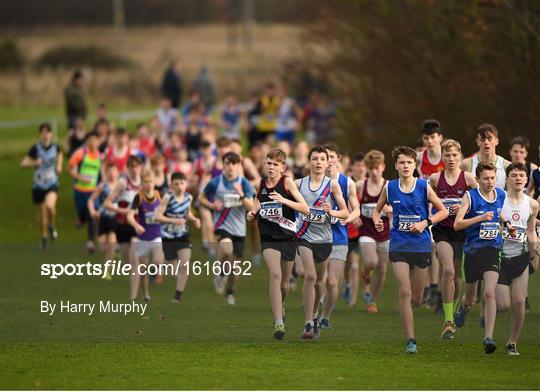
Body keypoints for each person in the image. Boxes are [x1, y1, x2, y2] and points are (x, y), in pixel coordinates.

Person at [372, 146, 448, 354]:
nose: (405, 166)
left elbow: (443, 211)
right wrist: (378, 221)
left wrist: (426, 223)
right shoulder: (390, 187)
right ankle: (411, 340)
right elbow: (376, 211)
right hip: (398, 245)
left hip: (421, 246)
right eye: (402, 162)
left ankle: (418, 301)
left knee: (415, 298)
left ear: (414, 165)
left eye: (409, 162)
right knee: (404, 291)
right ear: (395, 165)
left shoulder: (423, 186)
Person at [453, 162, 516, 354]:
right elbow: (457, 224)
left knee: (489, 293)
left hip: (493, 249)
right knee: (471, 297)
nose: (490, 182)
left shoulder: (501, 194)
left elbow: (500, 213)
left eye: (493, 178)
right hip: (472, 251)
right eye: (486, 178)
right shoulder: (470, 197)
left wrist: (506, 224)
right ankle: (463, 308)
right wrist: (479, 219)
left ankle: (488, 338)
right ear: (478, 179)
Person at [247, 148, 309, 340]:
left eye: (275, 164)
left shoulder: (287, 182)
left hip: (288, 237)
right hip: (269, 239)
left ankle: (281, 304)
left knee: (285, 283)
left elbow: (305, 208)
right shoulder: (261, 184)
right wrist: (252, 213)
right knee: (275, 275)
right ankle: (278, 322)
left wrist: (284, 200)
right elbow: (258, 203)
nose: (271, 167)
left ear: (282, 167)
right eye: (269, 163)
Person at [296, 145, 348, 340]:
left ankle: (316, 316)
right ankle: (308, 323)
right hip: (304, 236)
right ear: (309, 162)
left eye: (321, 159)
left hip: (325, 240)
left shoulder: (332, 185)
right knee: (309, 277)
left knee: (319, 283)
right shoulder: (299, 183)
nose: (318, 162)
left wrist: (331, 211)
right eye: (314, 159)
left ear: (328, 163)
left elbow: (345, 212)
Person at [428, 139, 477, 339]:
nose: (450, 159)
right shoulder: (434, 179)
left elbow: (479, 203)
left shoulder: (468, 179)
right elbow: (426, 202)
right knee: (447, 270)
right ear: (442, 157)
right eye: (447, 155)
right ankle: (448, 321)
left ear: (460, 157)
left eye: (454, 155)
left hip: (462, 232)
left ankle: (454, 311)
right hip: (442, 231)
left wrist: (464, 207)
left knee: (456, 276)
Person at [199, 152, 254, 305]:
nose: (230, 167)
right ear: (223, 165)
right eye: (227, 163)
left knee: (235, 268)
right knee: (226, 250)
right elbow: (201, 198)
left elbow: (251, 207)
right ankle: (220, 273)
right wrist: (212, 205)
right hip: (222, 225)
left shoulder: (244, 183)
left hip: (239, 229)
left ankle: (229, 292)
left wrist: (241, 194)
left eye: (234, 164)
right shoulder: (216, 182)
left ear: (239, 166)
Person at [495, 162, 540, 355]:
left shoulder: (532, 204)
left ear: (527, 179)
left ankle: (512, 343)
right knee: (503, 305)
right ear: (507, 179)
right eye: (514, 175)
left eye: (522, 175)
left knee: (519, 302)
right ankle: (487, 305)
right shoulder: (498, 200)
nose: (519, 178)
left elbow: (530, 231)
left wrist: (535, 247)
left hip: (521, 257)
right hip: (498, 258)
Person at [319, 144, 359, 328]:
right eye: (324, 156)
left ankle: (325, 317)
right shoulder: (313, 182)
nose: (328, 159)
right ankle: (314, 310)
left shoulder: (347, 182)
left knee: (333, 282)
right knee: (319, 280)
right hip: (318, 237)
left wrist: (347, 219)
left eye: (331, 156)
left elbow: (356, 208)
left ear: (337, 159)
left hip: (339, 237)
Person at [155, 172, 201, 303]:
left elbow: (187, 213)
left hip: (183, 236)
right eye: (176, 184)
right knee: (173, 272)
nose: (180, 186)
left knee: (185, 265)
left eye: (182, 183)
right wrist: (174, 221)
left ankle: (177, 296)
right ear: (171, 186)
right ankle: (159, 266)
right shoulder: (167, 198)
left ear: (186, 184)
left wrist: (194, 219)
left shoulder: (188, 198)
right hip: (168, 237)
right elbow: (157, 216)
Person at [357, 150, 392, 313]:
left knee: (383, 269)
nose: (374, 172)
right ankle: (365, 269)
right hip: (366, 232)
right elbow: (350, 201)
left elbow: (400, 207)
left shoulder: (390, 186)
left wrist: (389, 209)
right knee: (372, 261)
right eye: (371, 169)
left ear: (383, 167)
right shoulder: (360, 185)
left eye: (377, 168)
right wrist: (355, 214)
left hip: (385, 233)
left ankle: (371, 299)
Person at [104, 155, 143, 295]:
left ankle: (134, 293)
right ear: (127, 168)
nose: (134, 170)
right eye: (131, 167)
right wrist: (122, 210)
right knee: (127, 259)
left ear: (141, 167)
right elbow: (107, 203)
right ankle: (135, 273)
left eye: (137, 166)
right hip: (122, 225)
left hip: (136, 225)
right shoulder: (122, 183)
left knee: (134, 256)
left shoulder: (144, 184)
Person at [21, 123, 63, 251]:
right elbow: (23, 163)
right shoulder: (35, 148)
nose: (45, 135)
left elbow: (60, 155)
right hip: (38, 184)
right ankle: (44, 237)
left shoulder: (56, 147)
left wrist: (59, 166)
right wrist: (34, 162)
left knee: (50, 206)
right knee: (42, 213)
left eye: (48, 132)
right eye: (43, 132)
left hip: (51, 183)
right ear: (40, 134)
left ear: (51, 134)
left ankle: (52, 225)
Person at [127, 169, 165, 301]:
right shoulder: (139, 197)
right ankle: (145, 293)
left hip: (156, 235)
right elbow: (129, 215)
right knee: (143, 271)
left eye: (151, 181)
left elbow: (165, 211)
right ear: (142, 183)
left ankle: (157, 271)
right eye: (146, 182)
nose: (149, 184)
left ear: (155, 182)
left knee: (158, 260)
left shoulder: (159, 195)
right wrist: (137, 225)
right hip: (143, 238)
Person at [68, 131, 102, 253]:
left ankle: (90, 242)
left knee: (91, 215)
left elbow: (102, 173)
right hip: (79, 190)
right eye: (91, 140)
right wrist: (81, 178)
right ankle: (80, 219)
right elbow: (70, 169)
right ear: (87, 141)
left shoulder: (100, 156)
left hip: (93, 192)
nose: (93, 142)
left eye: (95, 140)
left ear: (99, 142)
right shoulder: (80, 153)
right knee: (82, 213)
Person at [87, 162, 119, 279]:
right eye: (109, 172)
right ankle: (114, 252)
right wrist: (92, 212)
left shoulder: (120, 186)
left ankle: (107, 271)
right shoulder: (102, 186)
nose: (112, 174)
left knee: (112, 244)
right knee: (102, 248)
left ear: (117, 172)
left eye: (114, 171)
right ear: (106, 173)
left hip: (115, 218)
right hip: (102, 218)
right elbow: (90, 200)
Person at [461, 123, 510, 189]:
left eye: (489, 139)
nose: (486, 142)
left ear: (497, 141)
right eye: (482, 139)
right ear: (477, 142)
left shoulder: (506, 165)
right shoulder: (466, 164)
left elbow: (511, 194)